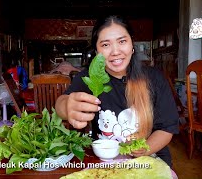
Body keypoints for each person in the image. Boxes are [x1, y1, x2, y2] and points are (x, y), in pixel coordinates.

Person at [55, 15, 179, 167]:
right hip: (105, 162)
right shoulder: (90, 78)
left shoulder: (154, 78)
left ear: (132, 44)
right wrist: (66, 107)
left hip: (150, 160)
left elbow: (167, 128)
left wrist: (144, 149)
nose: (115, 51)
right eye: (106, 45)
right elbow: (61, 104)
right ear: (96, 51)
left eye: (122, 41)